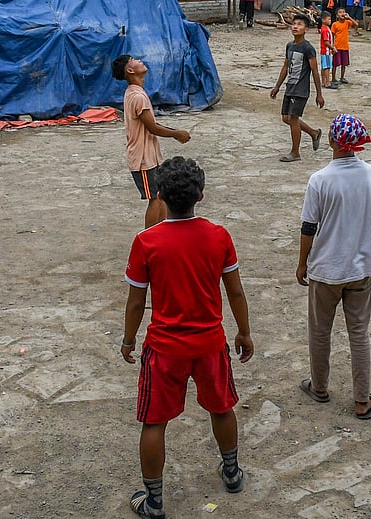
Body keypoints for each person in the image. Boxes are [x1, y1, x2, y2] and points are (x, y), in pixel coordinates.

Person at [122, 156, 254, 519]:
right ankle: (231, 472)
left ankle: (154, 501)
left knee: (154, 421)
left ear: (160, 196)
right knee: (221, 406)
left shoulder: (146, 242)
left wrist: (128, 340)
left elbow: (136, 302)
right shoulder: (218, 236)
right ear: (202, 195)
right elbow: (236, 292)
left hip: (164, 348)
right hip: (210, 343)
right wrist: (243, 331)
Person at [296, 114, 371, 421]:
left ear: (332, 141)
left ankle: (319, 387)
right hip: (361, 265)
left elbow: (309, 227)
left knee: (320, 331)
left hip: (326, 267)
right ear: (359, 143)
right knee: (359, 333)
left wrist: (301, 263)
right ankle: (362, 400)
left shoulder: (320, 179)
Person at [112, 55, 191, 228]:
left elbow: (151, 124)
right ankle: (149, 240)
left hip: (149, 157)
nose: (139, 60)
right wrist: (176, 134)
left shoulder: (135, 93)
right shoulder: (138, 97)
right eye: (134, 60)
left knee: (160, 195)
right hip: (142, 159)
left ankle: (162, 234)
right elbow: (153, 128)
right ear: (130, 70)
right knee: (155, 198)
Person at [270, 14, 325, 162]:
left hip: (301, 90)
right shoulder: (290, 46)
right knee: (286, 118)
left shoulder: (308, 48)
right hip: (290, 87)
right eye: (294, 24)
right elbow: (286, 66)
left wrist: (319, 94)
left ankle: (295, 152)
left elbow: (314, 71)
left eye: (300, 24)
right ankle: (313, 133)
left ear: (306, 29)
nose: (295, 26)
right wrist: (277, 86)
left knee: (293, 119)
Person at [330, 7, 358, 84]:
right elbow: (332, 36)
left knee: (344, 64)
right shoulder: (335, 24)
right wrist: (332, 46)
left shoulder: (347, 22)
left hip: (345, 47)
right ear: (337, 16)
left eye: (343, 12)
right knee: (335, 64)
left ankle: (342, 78)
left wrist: (349, 17)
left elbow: (356, 24)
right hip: (337, 47)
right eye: (340, 12)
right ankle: (333, 78)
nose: (342, 13)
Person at [318, 11, 336, 90]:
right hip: (326, 51)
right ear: (323, 20)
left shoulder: (325, 28)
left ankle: (323, 82)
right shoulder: (325, 30)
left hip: (324, 51)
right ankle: (327, 82)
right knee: (327, 67)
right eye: (328, 19)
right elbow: (326, 42)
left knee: (324, 66)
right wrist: (332, 48)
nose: (330, 21)